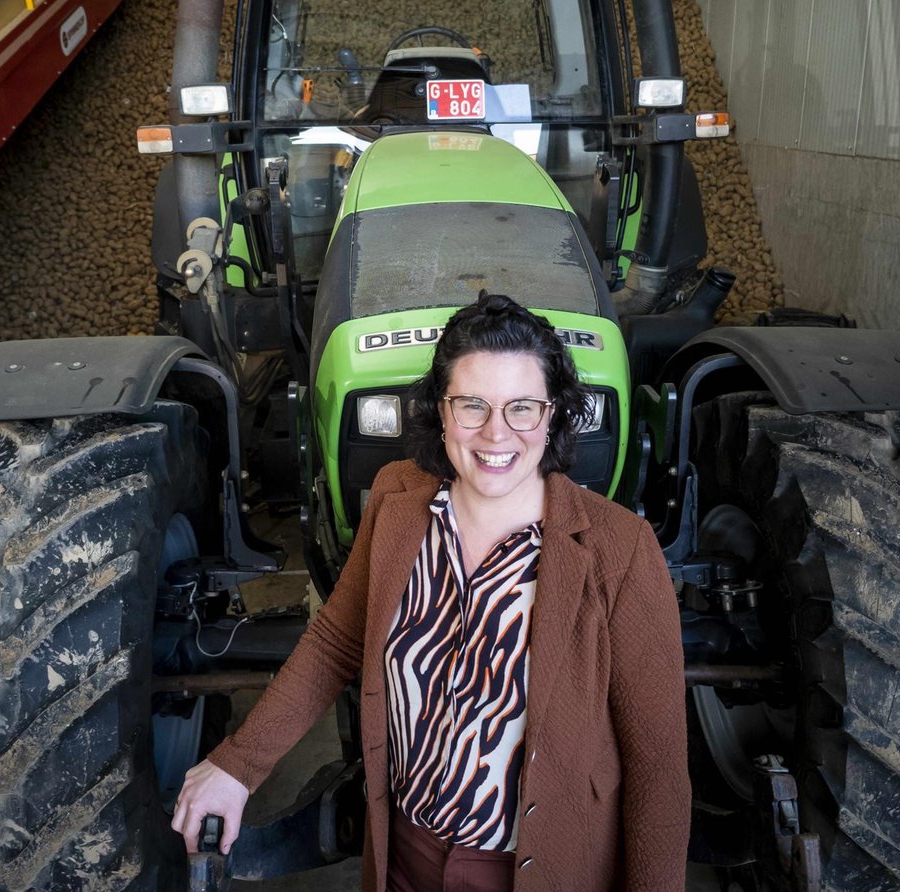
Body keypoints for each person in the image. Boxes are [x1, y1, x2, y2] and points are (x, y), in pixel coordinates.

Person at [174, 294, 689, 891]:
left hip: (537, 871)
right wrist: (239, 765)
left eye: (522, 407)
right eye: (472, 405)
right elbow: (336, 642)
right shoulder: (399, 501)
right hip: (404, 857)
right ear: (440, 412)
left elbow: (658, 769)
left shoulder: (618, 550)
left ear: (552, 417)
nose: (497, 433)